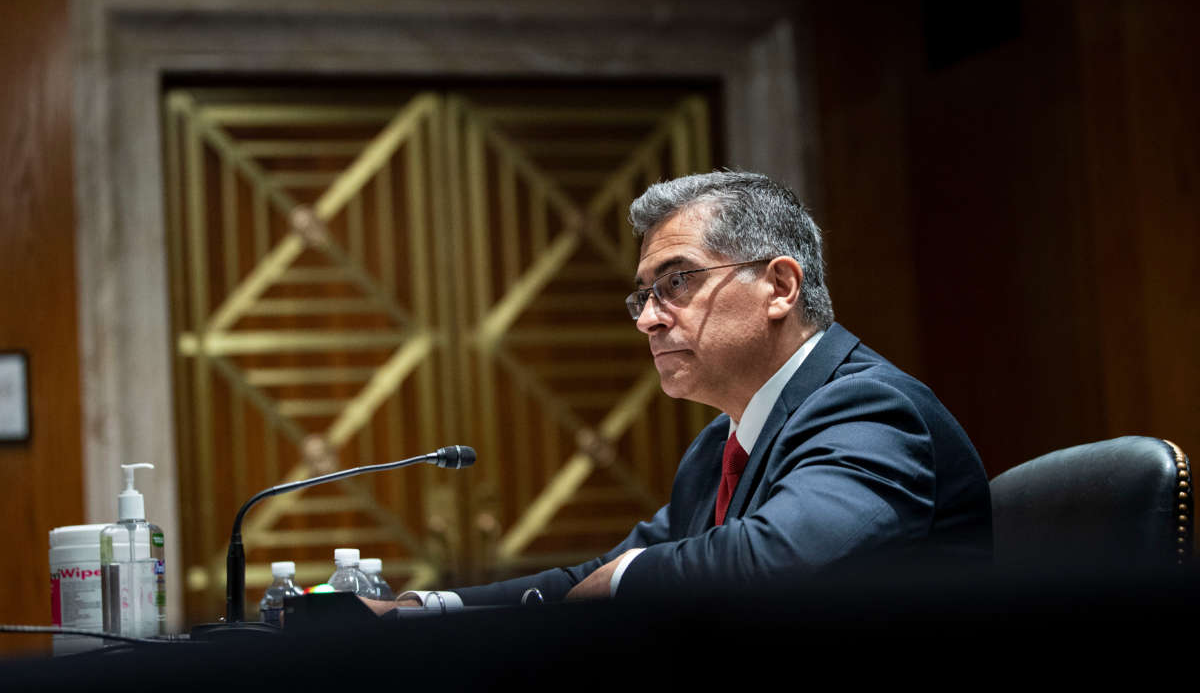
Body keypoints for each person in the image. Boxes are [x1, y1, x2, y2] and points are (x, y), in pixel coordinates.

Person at [374, 170, 991, 612]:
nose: (648, 318)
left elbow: (788, 558)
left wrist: (626, 581)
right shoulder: (718, 447)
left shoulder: (867, 407)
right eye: (643, 295)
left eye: (678, 281)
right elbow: (604, 572)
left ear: (779, 287)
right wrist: (427, 608)